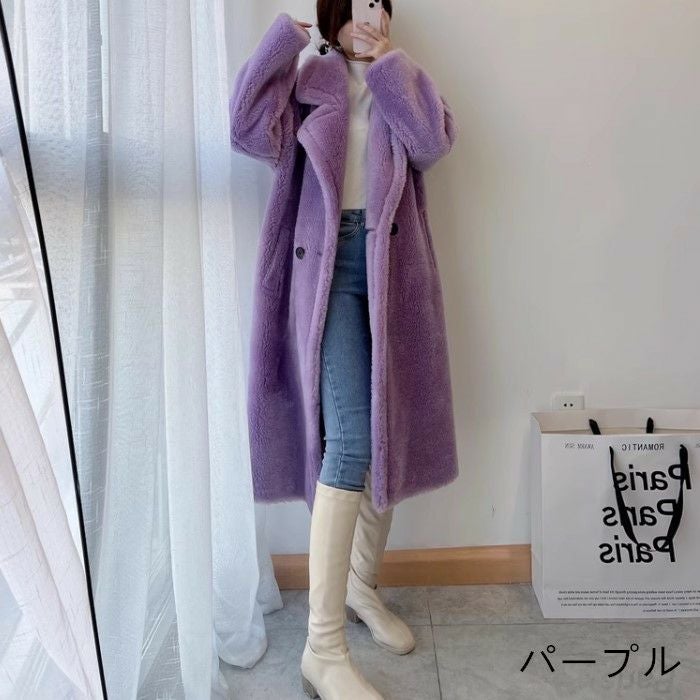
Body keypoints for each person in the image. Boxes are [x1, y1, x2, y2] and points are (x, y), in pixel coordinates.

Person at [230, 2, 458, 697]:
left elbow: (432, 144)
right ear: (333, 13)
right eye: (356, 5)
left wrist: (391, 68)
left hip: (393, 274)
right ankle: (322, 647)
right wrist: (285, 40)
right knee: (352, 440)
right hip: (326, 273)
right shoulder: (308, 82)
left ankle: (361, 586)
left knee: (387, 432)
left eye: (379, 4)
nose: (370, 16)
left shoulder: (403, 79)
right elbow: (246, 130)